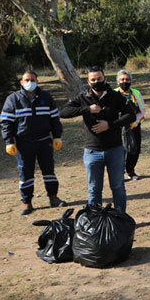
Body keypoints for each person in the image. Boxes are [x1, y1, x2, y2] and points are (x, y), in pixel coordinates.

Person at [60, 66, 135, 212]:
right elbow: (63, 112)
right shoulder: (83, 98)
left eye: (99, 79)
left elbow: (131, 115)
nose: (96, 82)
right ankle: (95, 221)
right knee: (94, 189)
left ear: (105, 79)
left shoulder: (115, 96)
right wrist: (87, 109)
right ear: (88, 82)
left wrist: (110, 125)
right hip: (92, 152)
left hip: (115, 149)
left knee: (118, 187)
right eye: (93, 80)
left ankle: (120, 219)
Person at [0, 70, 65, 215]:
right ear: (21, 82)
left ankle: (53, 198)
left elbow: (55, 119)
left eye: (33, 80)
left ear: (37, 81)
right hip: (24, 143)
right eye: (27, 80)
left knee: (49, 171)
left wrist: (57, 136)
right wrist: (9, 141)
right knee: (25, 173)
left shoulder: (46, 97)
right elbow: (6, 122)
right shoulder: (13, 99)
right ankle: (27, 203)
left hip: (44, 141)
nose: (30, 83)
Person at [115, 70, 146, 180]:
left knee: (134, 149)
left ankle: (131, 171)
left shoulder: (136, 93)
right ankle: (120, 173)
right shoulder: (113, 93)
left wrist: (135, 122)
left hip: (134, 126)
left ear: (131, 81)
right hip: (118, 127)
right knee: (119, 150)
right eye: (122, 79)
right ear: (118, 81)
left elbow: (142, 111)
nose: (125, 81)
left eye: (127, 79)